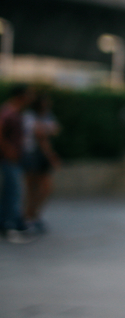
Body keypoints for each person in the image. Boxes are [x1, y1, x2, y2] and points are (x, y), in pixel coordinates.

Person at [1, 85, 35, 243]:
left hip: (15, 158)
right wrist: (8, 150)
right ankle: (10, 226)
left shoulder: (16, 112)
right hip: (9, 159)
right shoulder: (8, 112)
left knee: (13, 191)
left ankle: (13, 223)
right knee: (13, 191)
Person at [22, 93, 60, 234]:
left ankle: (32, 215)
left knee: (43, 189)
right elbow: (41, 134)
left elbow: (54, 129)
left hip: (39, 156)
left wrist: (45, 129)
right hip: (32, 154)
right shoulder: (29, 116)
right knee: (33, 188)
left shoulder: (46, 115)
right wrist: (51, 156)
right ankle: (29, 216)